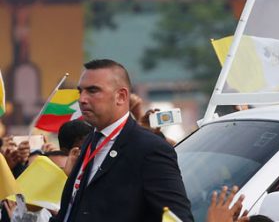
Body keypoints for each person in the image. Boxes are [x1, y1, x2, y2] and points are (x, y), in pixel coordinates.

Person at [52, 59, 193, 222]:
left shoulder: (149, 149)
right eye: (80, 91)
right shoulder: (91, 141)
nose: (82, 99)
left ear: (121, 96)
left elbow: (177, 218)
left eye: (92, 91)